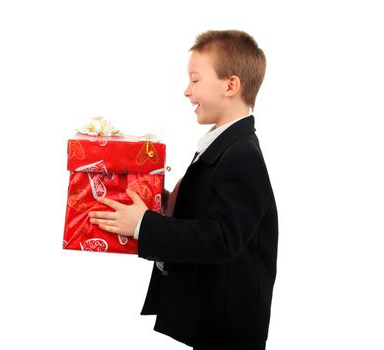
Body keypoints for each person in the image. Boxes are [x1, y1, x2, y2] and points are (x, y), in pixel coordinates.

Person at [88, 30, 278, 350]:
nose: (187, 92)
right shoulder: (224, 146)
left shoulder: (242, 156)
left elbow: (223, 238)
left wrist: (143, 224)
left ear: (230, 85)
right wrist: (146, 195)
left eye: (195, 80)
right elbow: (202, 210)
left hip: (230, 332)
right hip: (213, 322)